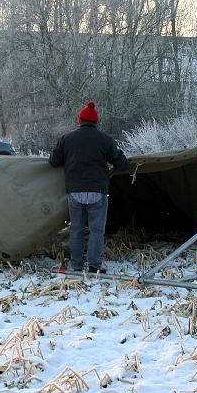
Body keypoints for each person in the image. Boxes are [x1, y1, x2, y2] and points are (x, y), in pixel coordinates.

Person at [49, 101, 129, 273]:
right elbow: (122, 164)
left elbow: (53, 162)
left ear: (80, 121)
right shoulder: (105, 140)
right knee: (96, 231)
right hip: (97, 192)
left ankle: (76, 266)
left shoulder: (67, 139)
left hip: (75, 192)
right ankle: (94, 266)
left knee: (76, 230)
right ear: (96, 122)